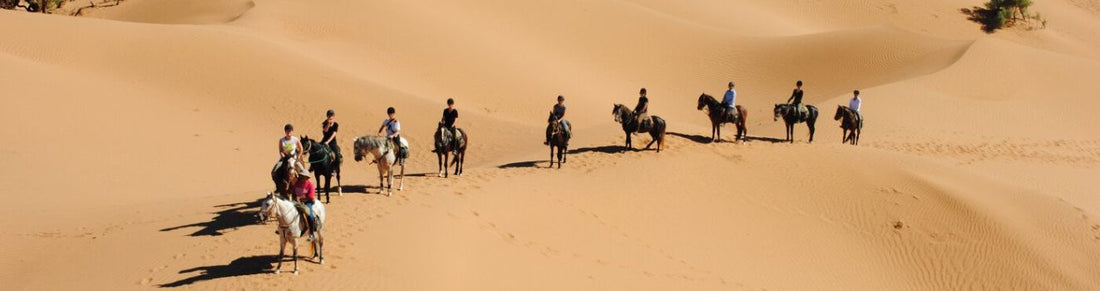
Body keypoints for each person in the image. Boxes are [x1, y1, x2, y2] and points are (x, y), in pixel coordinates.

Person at [291, 169, 317, 240]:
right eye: (301, 176)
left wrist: (301, 198)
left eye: (303, 176)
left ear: (307, 177)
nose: (301, 177)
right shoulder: (297, 183)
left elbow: (311, 196)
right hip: (296, 201)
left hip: (307, 202)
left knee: (310, 216)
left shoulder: (310, 184)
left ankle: (311, 234)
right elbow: (293, 192)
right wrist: (294, 197)